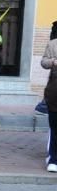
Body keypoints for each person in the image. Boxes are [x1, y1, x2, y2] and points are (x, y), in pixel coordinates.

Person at [42, 21, 57, 173]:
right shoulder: (53, 44)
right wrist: (53, 62)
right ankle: (53, 158)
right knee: (54, 127)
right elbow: (43, 62)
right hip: (54, 91)